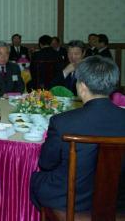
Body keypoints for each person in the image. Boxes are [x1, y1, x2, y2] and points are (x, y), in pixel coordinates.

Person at [30, 55, 125, 212]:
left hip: (70, 200)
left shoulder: (62, 122)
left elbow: (46, 164)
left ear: (82, 86)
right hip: (118, 202)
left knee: (36, 179)